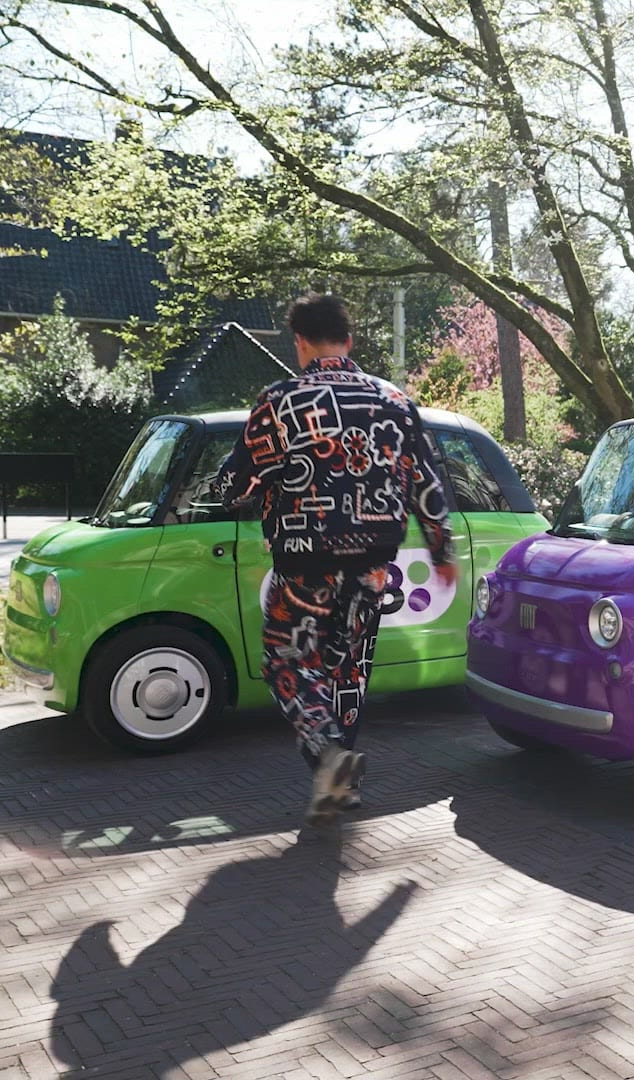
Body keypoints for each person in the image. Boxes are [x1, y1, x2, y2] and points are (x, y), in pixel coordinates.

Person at [216, 293, 457, 827]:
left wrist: (245, 486)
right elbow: (427, 479)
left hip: (306, 561)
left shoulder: (280, 401)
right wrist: (440, 548)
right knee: (348, 668)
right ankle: (340, 783)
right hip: (373, 562)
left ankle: (328, 761)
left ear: (300, 342)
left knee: (285, 659)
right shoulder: (393, 400)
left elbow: (236, 482)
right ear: (349, 341)